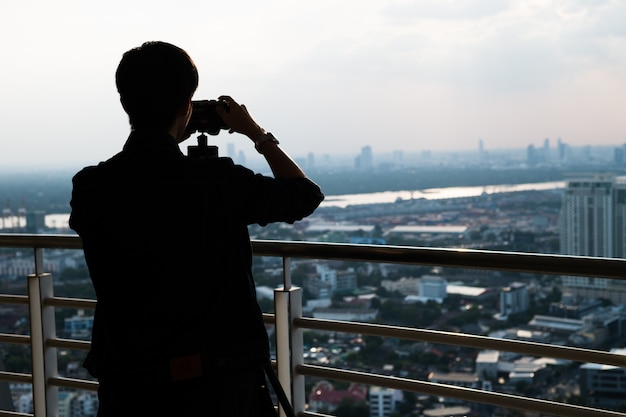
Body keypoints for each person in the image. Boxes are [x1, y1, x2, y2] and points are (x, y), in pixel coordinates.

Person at [69, 41, 324, 416]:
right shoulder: (215, 181)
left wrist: (167, 137)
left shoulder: (91, 186)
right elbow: (304, 195)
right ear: (187, 104)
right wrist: (256, 133)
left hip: (129, 383)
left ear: (125, 103)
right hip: (217, 383)